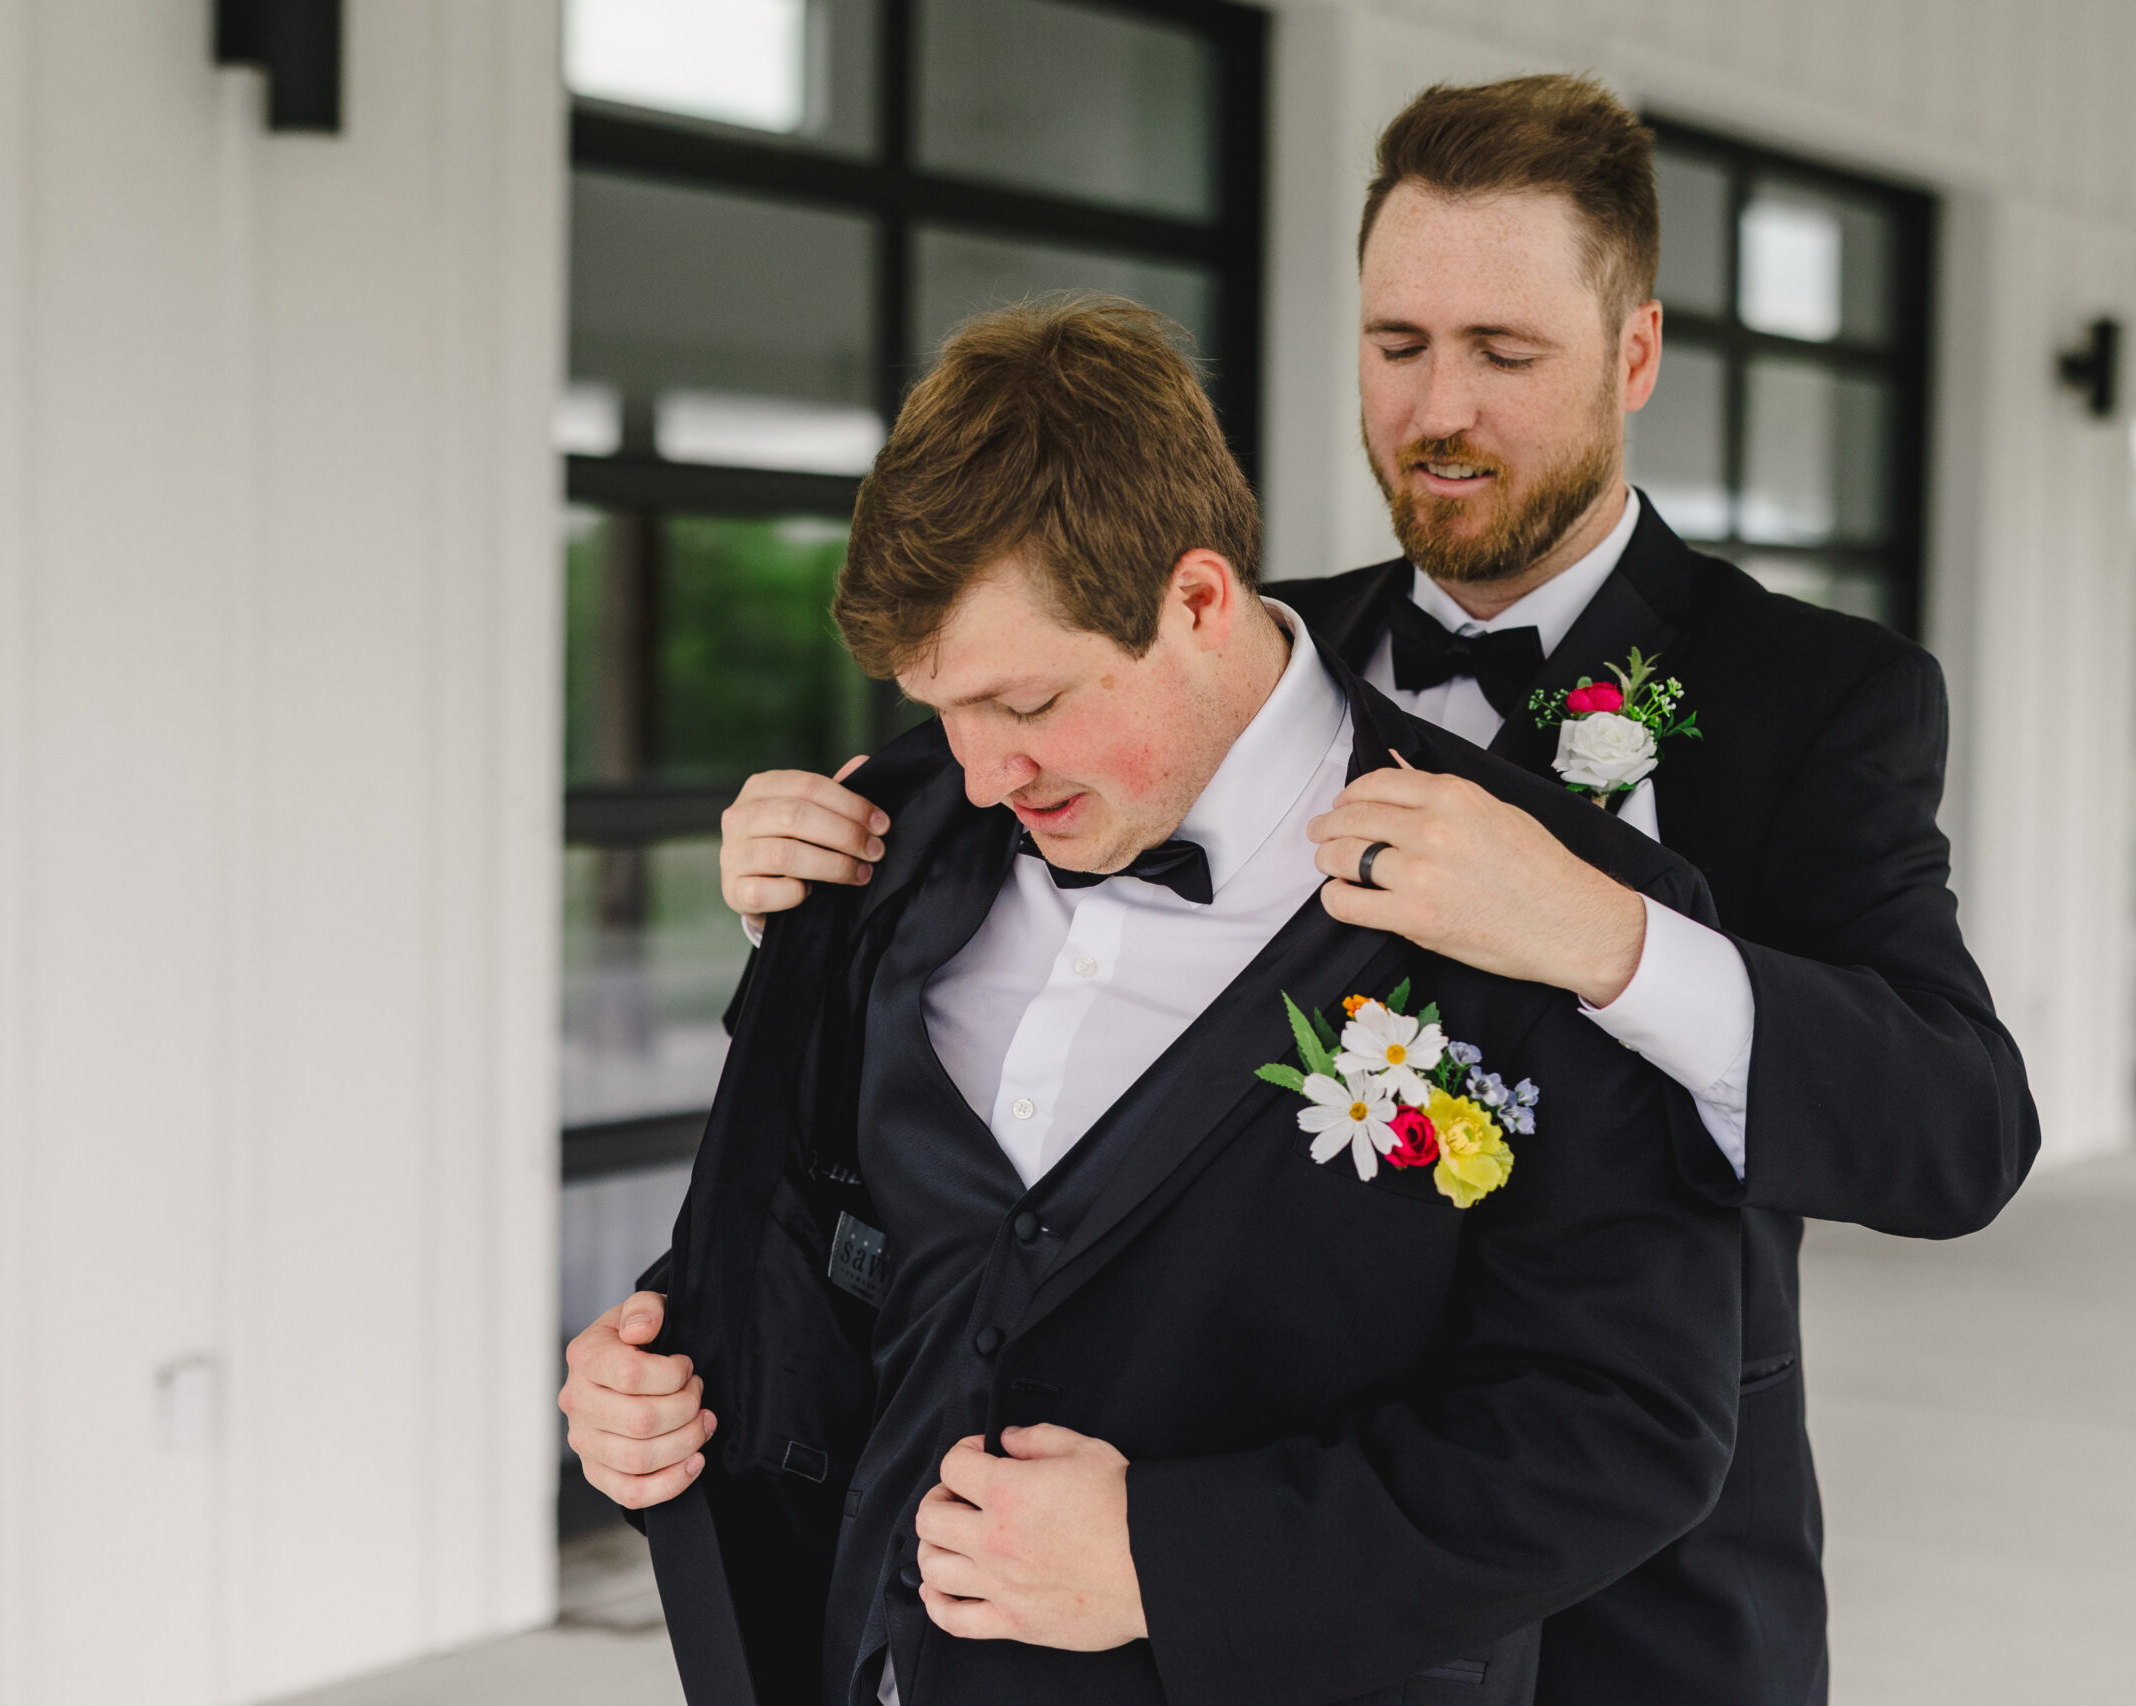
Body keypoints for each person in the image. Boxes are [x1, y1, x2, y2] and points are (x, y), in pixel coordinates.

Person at [606, 75, 2039, 1705]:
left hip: (1630, 1598)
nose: (1440, 409)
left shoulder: (1811, 698)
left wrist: (1608, 941)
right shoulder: (1206, 661)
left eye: (1505, 353)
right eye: (1396, 343)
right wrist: (810, 894)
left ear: (1634, 354)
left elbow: (1957, 1130)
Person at [571, 295, 1746, 1706]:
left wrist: (1169, 1560)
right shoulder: (892, 828)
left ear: (1196, 601)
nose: (982, 769)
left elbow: (1627, 1432)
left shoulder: (1557, 903)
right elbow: (839, 1249)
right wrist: (661, 1379)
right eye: (943, 706)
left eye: (1027, 704)